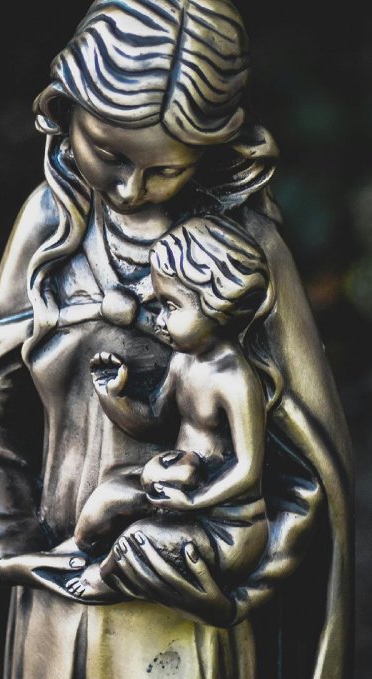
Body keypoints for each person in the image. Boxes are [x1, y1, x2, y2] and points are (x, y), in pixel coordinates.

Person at [0, 1, 353, 679]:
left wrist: (234, 592)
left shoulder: (245, 253)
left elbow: (304, 468)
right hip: (57, 594)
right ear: (64, 111)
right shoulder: (48, 226)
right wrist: (10, 545)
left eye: (164, 170)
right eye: (109, 154)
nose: (131, 189)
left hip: (186, 614)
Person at [64, 216, 276, 601]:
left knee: (140, 539)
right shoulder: (183, 360)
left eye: (170, 306)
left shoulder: (235, 380)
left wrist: (196, 500)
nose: (159, 320)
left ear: (216, 306)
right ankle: (76, 550)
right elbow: (154, 421)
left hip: (225, 523)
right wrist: (114, 396)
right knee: (109, 499)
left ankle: (105, 576)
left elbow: (248, 469)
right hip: (175, 494)